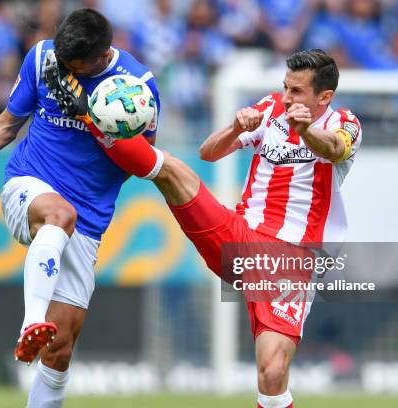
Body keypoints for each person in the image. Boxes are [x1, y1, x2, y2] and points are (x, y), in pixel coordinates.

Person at [0, 8, 161, 408]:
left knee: (59, 350)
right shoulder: (44, 58)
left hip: (90, 219)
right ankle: (32, 323)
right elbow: (7, 124)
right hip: (30, 184)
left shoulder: (137, 88)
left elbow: (141, 163)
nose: (64, 69)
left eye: (74, 66)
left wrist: (94, 119)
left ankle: (42, 349)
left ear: (101, 56)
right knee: (60, 215)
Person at [82, 49, 361, 408]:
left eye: (297, 92)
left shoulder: (345, 122)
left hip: (292, 260)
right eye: (285, 88)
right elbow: (208, 152)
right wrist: (235, 127)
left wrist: (305, 129)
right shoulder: (270, 107)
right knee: (173, 172)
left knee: (272, 372)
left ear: (324, 96)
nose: (287, 97)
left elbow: (337, 149)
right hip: (239, 238)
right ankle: (90, 116)